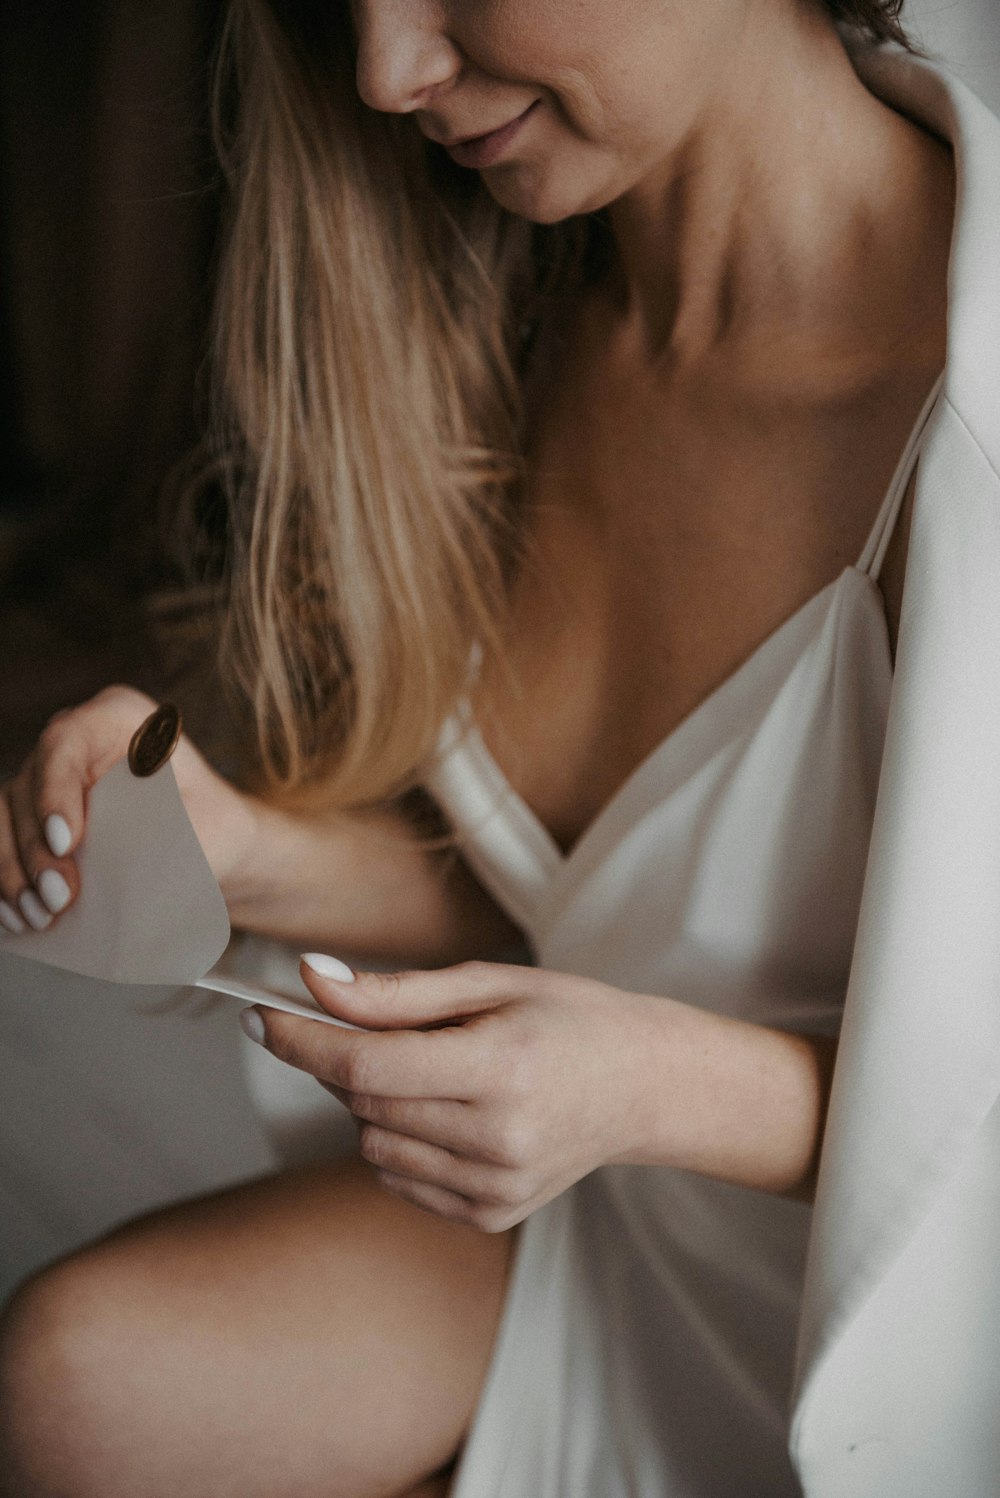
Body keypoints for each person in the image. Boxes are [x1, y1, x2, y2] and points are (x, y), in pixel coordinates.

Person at [1, 0, 993, 1493]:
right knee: (70, 1384)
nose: (386, 74)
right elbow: (561, 909)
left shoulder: (976, 416)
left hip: (889, 1335)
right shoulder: (494, 302)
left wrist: (648, 1089)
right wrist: (251, 846)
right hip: (574, 1238)